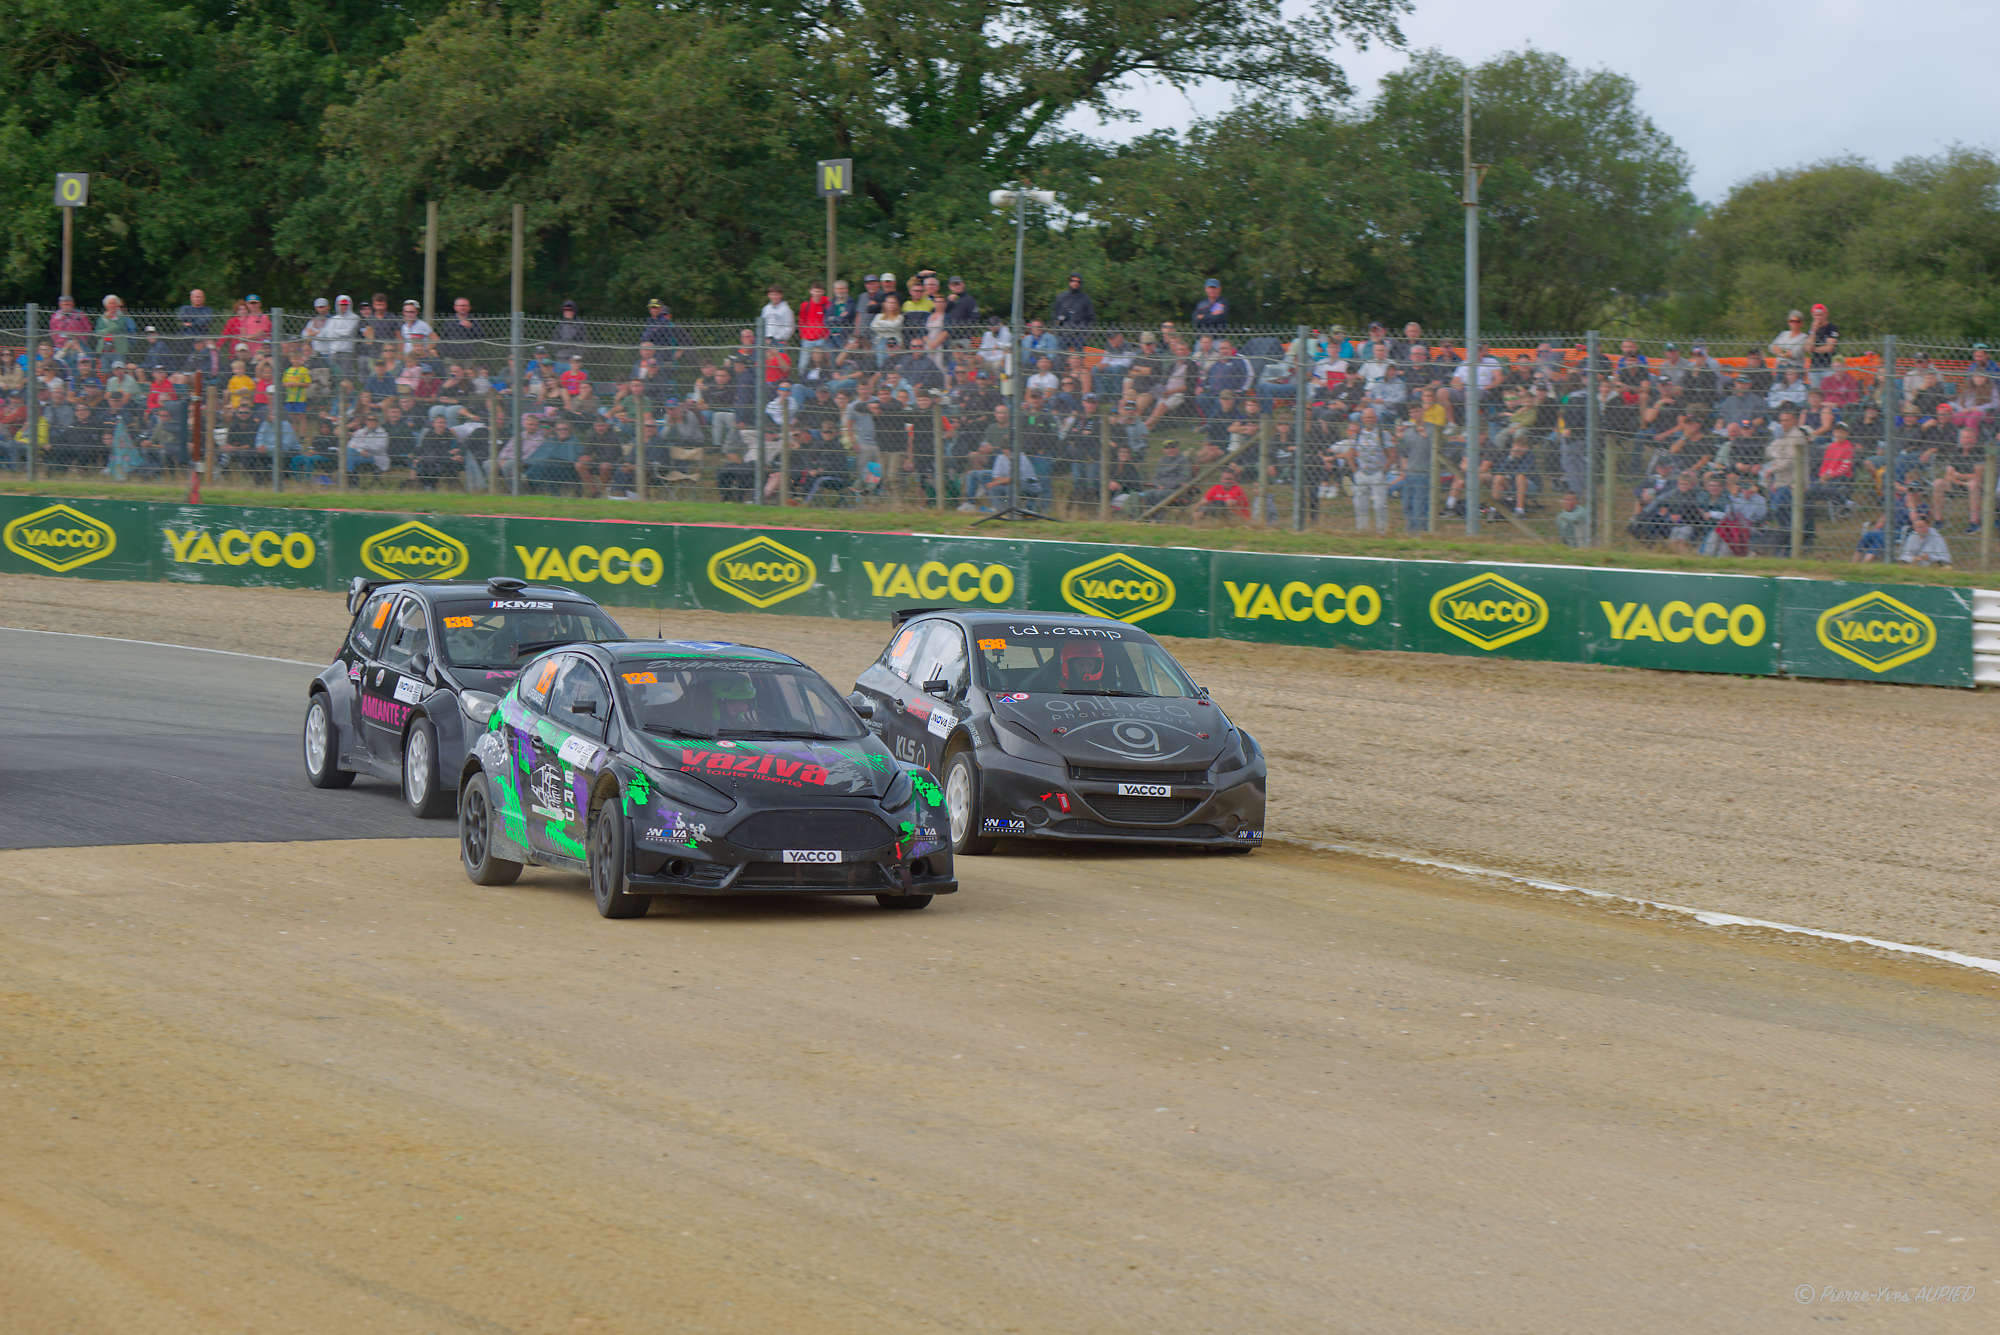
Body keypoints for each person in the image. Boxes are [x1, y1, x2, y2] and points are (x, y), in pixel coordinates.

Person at [1049, 273, 1095, 349]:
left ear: (1080, 283)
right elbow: (1054, 313)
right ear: (1069, 282)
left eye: (1078, 281)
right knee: (1061, 357)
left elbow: (1091, 317)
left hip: (1079, 334)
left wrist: (1086, 334)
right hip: (1063, 334)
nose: (1075, 283)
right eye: (1073, 280)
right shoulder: (1061, 296)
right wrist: (1056, 329)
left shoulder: (1085, 299)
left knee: (1077, 358)